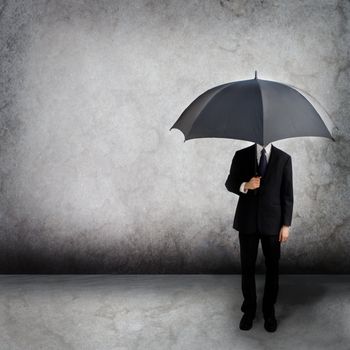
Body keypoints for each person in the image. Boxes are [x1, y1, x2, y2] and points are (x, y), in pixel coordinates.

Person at [225, 142, 293, 332]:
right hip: (247, 222)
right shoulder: (241, 155)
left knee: (273, 268)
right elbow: (229, 183)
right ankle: (249, 310)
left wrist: (286, 225)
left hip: (273, 223)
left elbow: (287, 194)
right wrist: (245, 185)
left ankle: (269, 312)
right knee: (247, 267)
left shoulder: (284, 159)